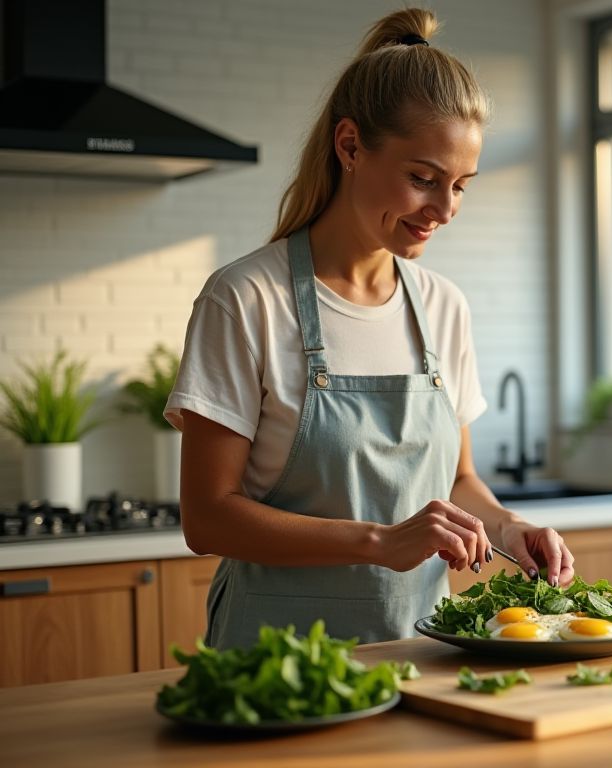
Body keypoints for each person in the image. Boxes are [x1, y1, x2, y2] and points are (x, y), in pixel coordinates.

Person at [164, 8, 575, 649]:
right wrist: (381, 542)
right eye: (423, 179)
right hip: (277, 661)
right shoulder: (245, 298)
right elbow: (208, 518)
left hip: (419, 649)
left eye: (461, 186)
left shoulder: (443, 306)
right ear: (350, 146)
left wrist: (507, 528)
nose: (443, 210)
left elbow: (460, 482)